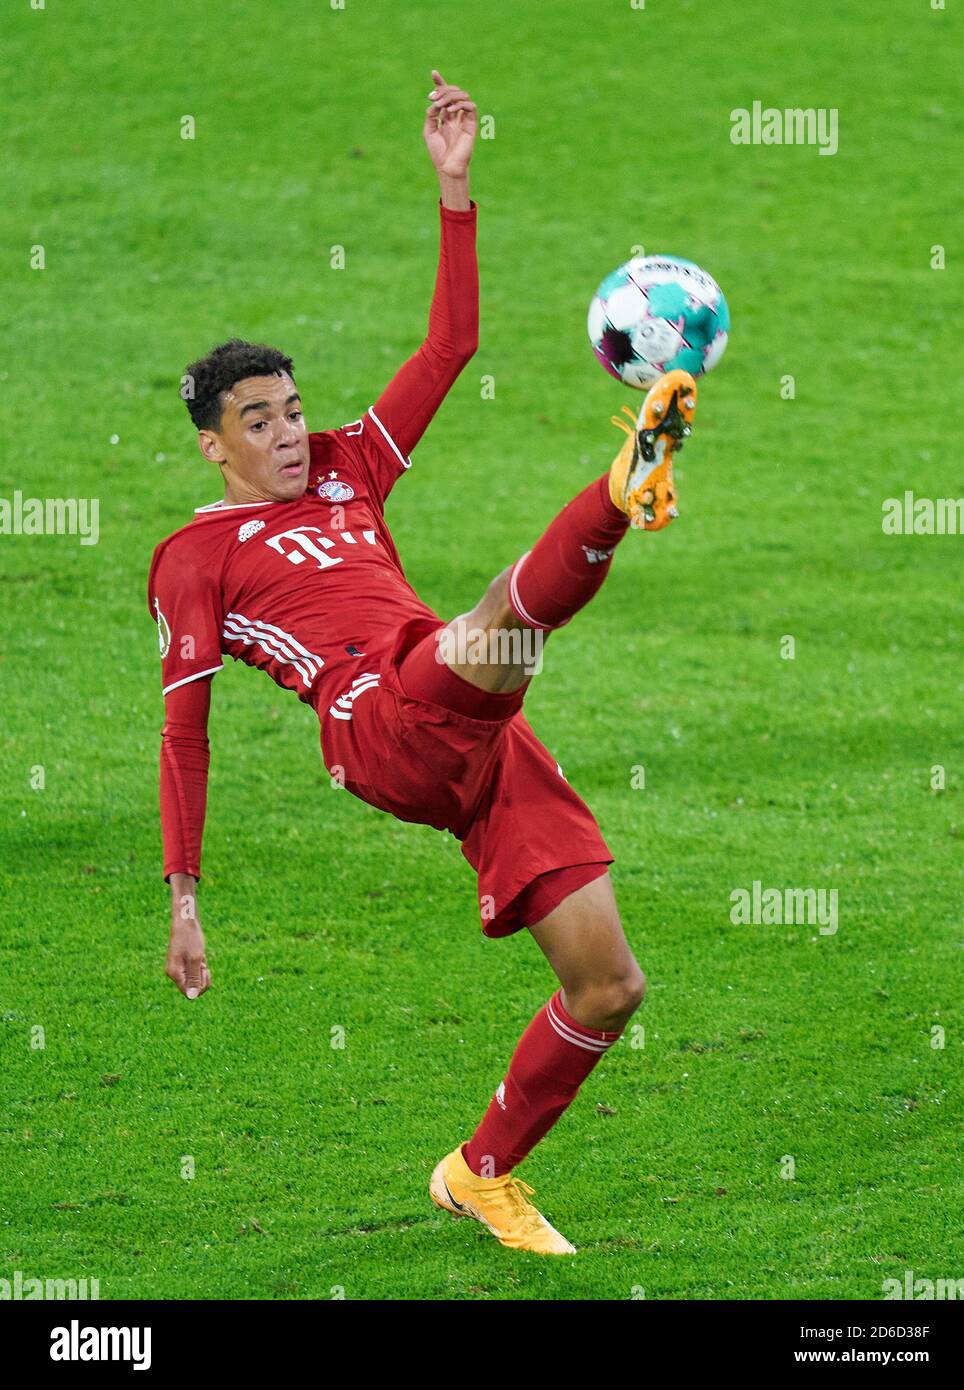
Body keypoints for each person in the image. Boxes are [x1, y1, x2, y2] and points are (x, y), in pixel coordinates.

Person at [150, 70, 697, 1255]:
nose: (291, 432)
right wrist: (184, 899)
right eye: (260, 420)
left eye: (294, 409)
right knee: (506, 613)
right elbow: (183, 729)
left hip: (476, 730)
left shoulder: (349, 464)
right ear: (213, 446)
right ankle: (620, 488)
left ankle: (481, 1172)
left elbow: (452, 344)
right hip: (377, 723)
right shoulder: (190, 561)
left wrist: (454, 188)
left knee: (609, 987)